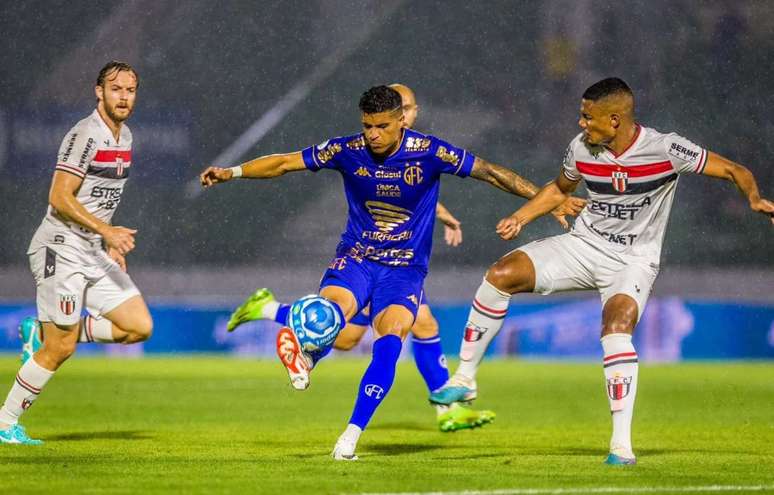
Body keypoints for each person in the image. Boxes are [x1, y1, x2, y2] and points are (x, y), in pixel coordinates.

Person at [199, 85, 585, 460]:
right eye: (367, 125)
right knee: (331, 315)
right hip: (357, 258)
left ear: (402, 121)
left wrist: (545, 202)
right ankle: (304, 345)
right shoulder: (347, 149)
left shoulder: (429, 151)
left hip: (404, 271)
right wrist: (231, 172)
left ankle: (349, 435)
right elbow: (284, 162)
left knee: (390, 340)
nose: (373, 134)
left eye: (382, 126)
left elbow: (490, 172)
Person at [430, 77, 774, 465]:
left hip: (633, 260)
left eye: (587, 117)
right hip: (584, 245)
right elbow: (560, 189)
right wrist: (521, 217)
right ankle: (465, 379)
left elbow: (732, 169)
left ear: (614, 120)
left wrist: (755, 199)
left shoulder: (666, 148)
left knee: (616, 329)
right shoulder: (581, 149)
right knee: (500, 275)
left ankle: (621, 446)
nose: (581, 124)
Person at [226, 83, 495, 433]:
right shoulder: (371, 147)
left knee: (370, 334)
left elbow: (410, 195)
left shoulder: (416, 150)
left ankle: (449, 410)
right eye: (406, 109)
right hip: (374, 260)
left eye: (412, 109)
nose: (411, 115)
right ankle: (448, 409)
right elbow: (395, 194)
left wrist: (441, 215)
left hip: (400, 262)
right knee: (394, 327)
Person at [0, 61, 154, 445]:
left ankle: (39, 333)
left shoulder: (127, 137)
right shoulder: (85, 134)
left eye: (130, 90)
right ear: (98, 91)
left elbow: (101, 198)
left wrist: (106, 241)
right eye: (115, 88)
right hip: (60, 246)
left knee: (138, 326)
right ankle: (4, 423)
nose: (123, 96)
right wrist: (107, 232)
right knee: (60, 349)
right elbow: (59, 196)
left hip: (91, 248)